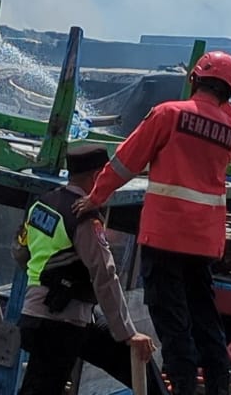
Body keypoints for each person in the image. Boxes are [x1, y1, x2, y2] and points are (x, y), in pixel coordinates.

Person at [74, 51, 231, 395]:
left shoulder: (168, 114)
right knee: (204, 316)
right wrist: (223, 108)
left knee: (171, 319)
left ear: (193, 80)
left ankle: (182, 387)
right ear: (229, 92)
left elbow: (126, 161)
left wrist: (96, 196)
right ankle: (218, 387)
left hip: (165, 234)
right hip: (204, 240)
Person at [11, 144, 162, 395]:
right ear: (96, 177)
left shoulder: (42, 204)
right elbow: (105, 276)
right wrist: (128, 333)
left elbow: (19, 252)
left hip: (46, 316)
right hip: (59, 324)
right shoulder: (82, 216)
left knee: (136, 361)